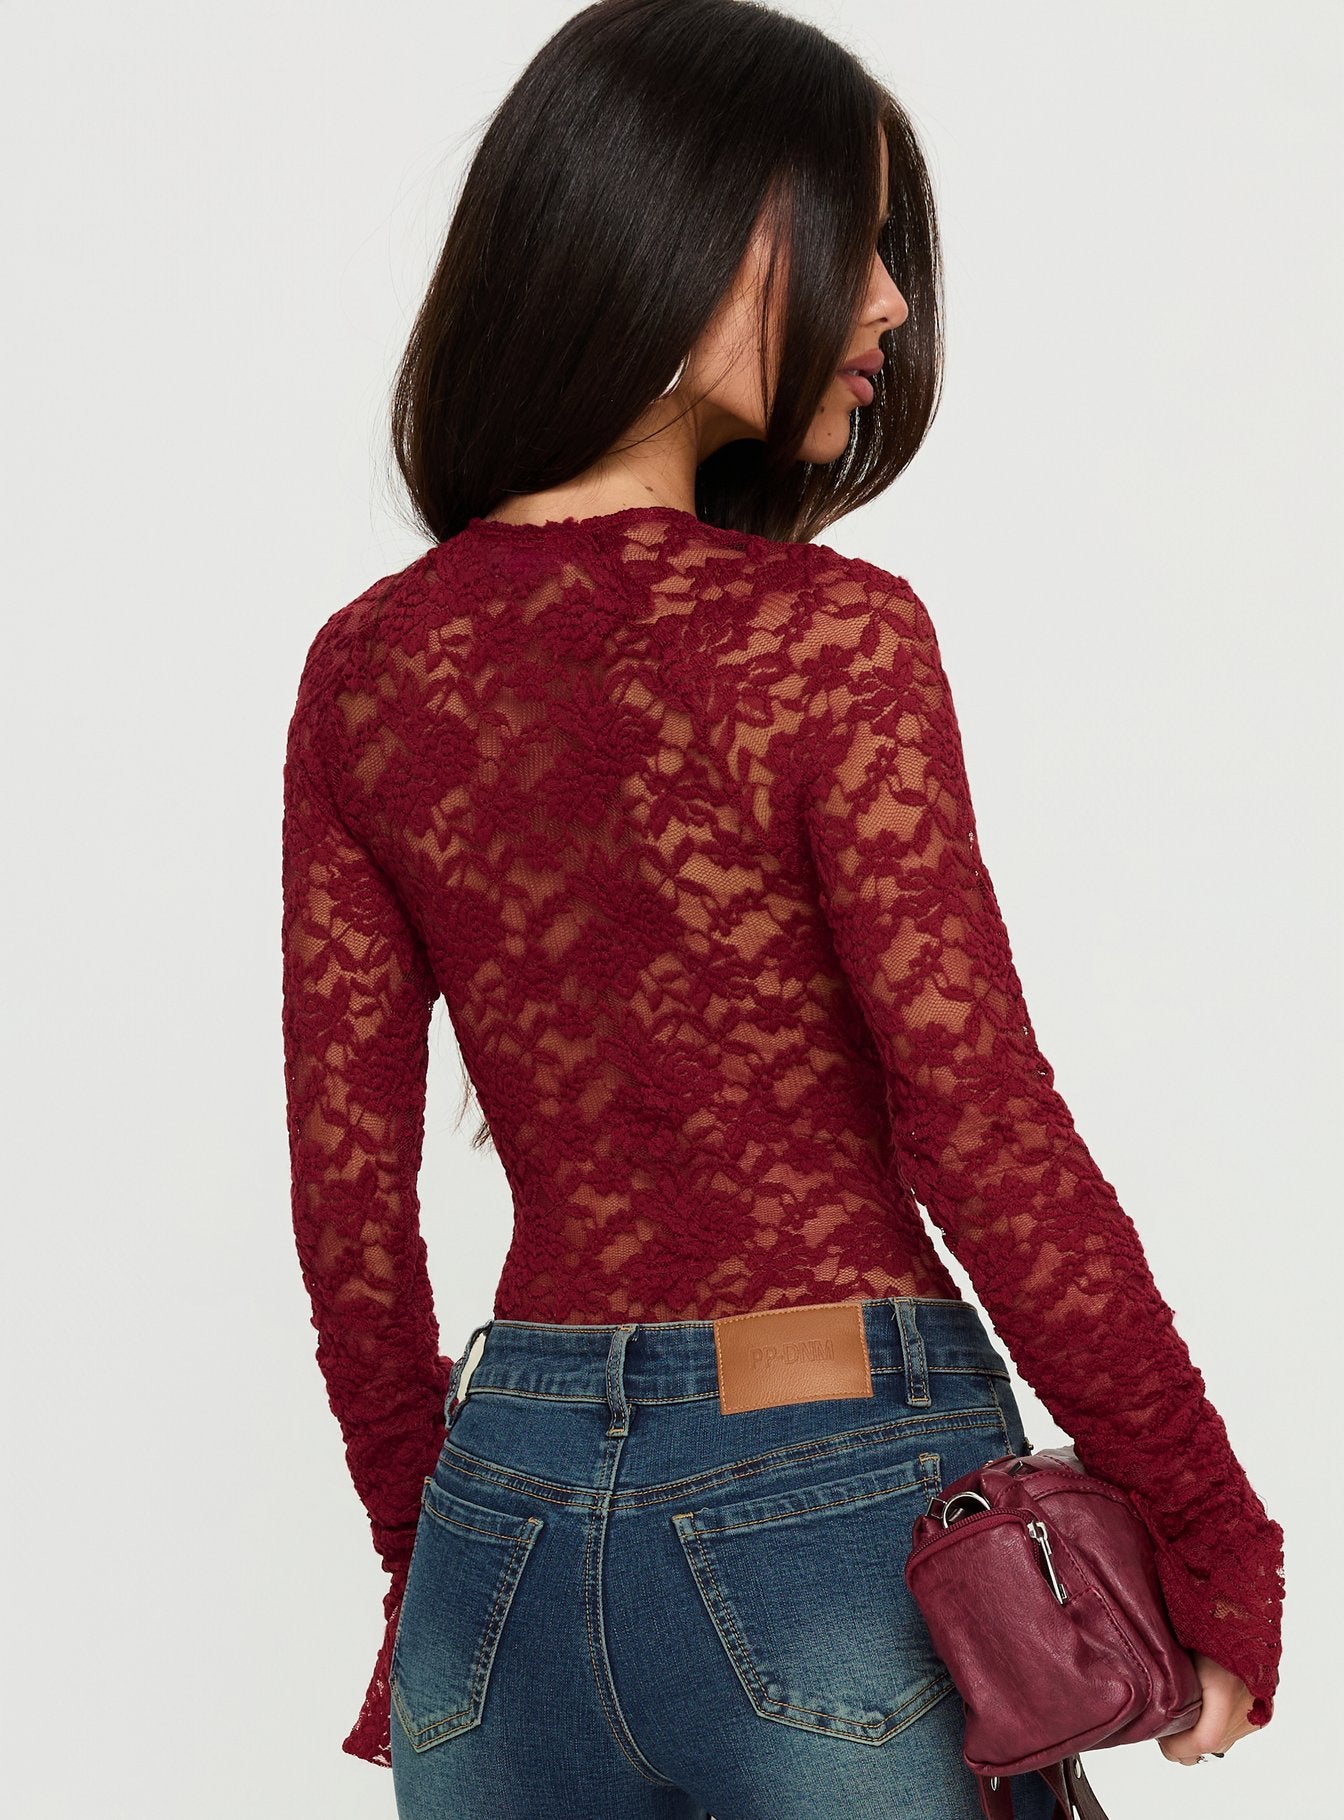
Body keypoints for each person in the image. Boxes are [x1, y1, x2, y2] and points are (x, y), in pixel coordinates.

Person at [279, 3, 1284, 1814]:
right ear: (680, 226)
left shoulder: (368, 670)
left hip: (499, 1526)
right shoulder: (826, 638)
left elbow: (349, 1208)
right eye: (853, 233)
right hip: (833, 1507)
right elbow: (977, 1118)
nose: (887, 299)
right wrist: (1210, 1535)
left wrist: (437, 1574)